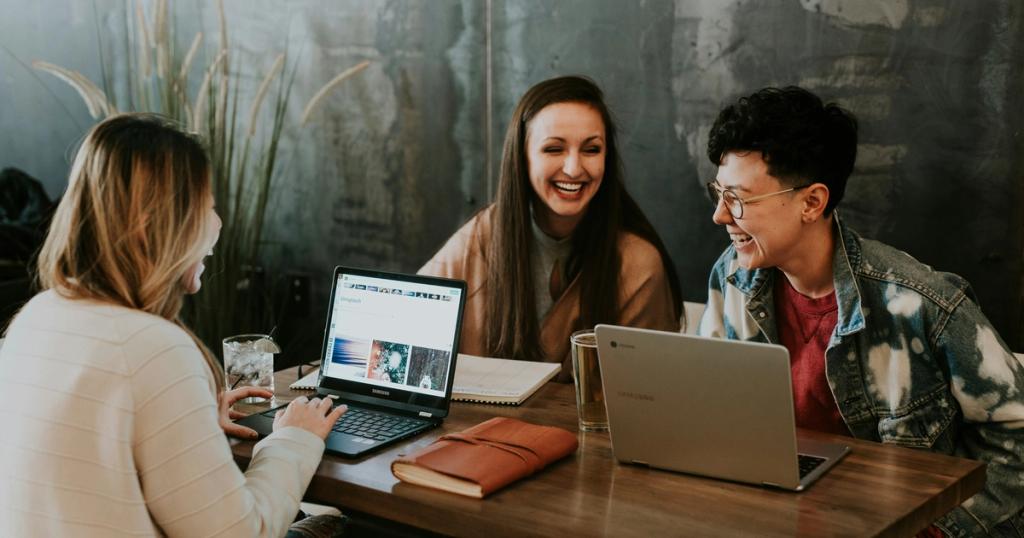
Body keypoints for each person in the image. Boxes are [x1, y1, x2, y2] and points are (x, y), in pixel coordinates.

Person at [0, 114, 348, 537]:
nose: (217, 225)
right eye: (206, 207)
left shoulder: (35, 318)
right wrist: (293, 438)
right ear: (155, 225)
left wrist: (191, 422)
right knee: (338, 525)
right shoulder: (152, 347)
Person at [697, 86, 1024, 536]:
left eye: (738, 199)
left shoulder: (920, 303)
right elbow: (707, 407)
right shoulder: (733, 276)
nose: (719, 215)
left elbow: (1016, 434)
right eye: (718, 192)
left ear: (812, 202)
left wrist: (934, 528)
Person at [420, 76, 682, 381]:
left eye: (591, 149)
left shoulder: (638, 264)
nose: (573, 168)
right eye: (554, 149)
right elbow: (407, 321)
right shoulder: (481, 237)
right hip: (476, 427)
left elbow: (646, 395)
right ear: (523, 157)